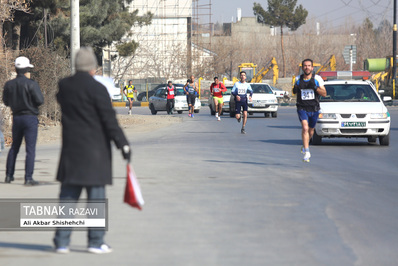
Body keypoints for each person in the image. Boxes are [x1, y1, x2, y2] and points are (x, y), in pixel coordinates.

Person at [53, 47, 131, 254]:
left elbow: (61, 99)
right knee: (95, 198)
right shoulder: (97, 89)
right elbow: (109, 120)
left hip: (71, 151)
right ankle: (95, 242)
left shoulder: (64, 86)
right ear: (92, 68)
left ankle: (62, 241)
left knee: (68, 198)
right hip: (95, 152)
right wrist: (122, 144)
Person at [3, 56, 44, 185]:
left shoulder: (9, 85)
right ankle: (28, 178)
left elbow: (6, 101)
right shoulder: (31, 84)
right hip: (30, 117)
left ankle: (9, 175)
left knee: (14, 147)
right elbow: (40, 100)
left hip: (17, 117)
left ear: (15, 68)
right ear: (26, 69)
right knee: (30, 148)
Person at [293, 58, 327, 162]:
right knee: (305, 127)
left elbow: (324, 93)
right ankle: (307, 151)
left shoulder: (317, 79)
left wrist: (315, 88)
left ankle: (305, 144)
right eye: (305, 66)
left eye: (309, 66)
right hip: (302, 108)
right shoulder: (298, 79)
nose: (307, 67)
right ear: (302, 67)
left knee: (311, 131)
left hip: (314, 108)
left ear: (312, 68)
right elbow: (294, 91)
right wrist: (294, 89)